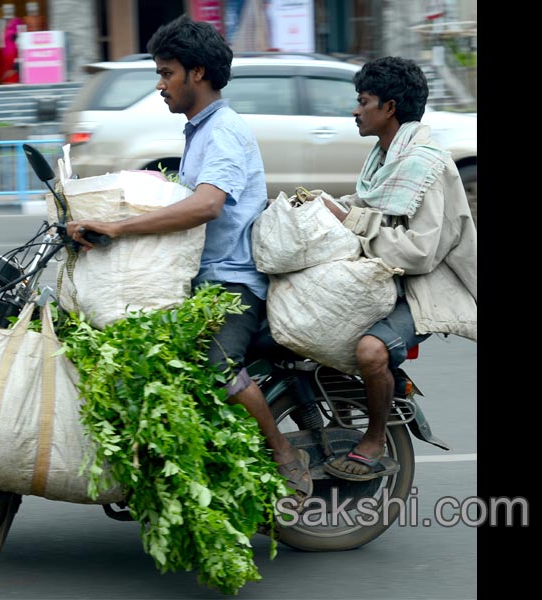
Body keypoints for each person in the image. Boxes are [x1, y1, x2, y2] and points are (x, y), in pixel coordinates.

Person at [66, 15, 313, 506]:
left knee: (217, 370)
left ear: (197, 73)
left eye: (166, 73)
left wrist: (117, 228)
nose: (161, 85)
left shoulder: (223, 131)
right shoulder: (197, 131)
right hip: (203, 278)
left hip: (232, 284)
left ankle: (285, 456)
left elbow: (206, 204)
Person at [319, 57, 477, 481]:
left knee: (370, 351)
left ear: (388, 108)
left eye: (363, 101)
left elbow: (419, 253)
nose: (355, 110)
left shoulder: (426, 164)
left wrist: (350, 220)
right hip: (388, 278)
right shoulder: (384, 156)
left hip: (426, 287)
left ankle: (373, 437)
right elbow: (373, 208)